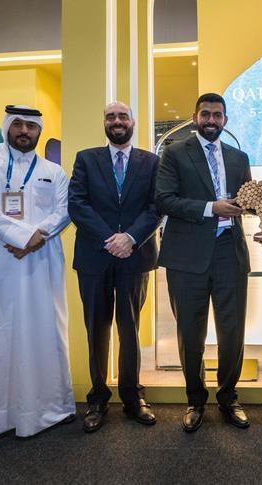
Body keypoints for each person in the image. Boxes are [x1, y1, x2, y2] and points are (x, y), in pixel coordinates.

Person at [0, 105, 75, 451]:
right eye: (18, 124)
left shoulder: (53, 171)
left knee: (44, 332)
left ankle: (47, 410)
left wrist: (36, 237)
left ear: (39, 130)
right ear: (7, 126)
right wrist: (22, 238)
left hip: (41, 262)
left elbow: (65, 209)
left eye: (31, 126)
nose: (24, 131)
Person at [155, 92, 252, 432]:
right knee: (190, 333)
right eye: (206, 114)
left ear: (225, 120)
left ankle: (228, 398)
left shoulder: (239, 157)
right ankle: (195, 400)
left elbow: (248, 200)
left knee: (232, 332)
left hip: (229, 252)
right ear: (195, 116)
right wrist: (212, 208)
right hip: (186, 256)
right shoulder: (174, 152)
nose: (211, 120)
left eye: (217, 115)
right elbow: (164, 200)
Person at [68, 101, 161, 433]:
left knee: (130, 328)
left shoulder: (151, 161)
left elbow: (156, 206)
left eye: (122, 116)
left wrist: (130, 238)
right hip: (95, 256)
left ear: (132, 122)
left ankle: (133, 397)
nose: (117, 121)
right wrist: (111, 239)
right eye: (111, 117)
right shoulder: (86, 159)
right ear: (104, 123)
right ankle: (98, 398)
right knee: (96, 328)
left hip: (135, 256)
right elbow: (77, 204)